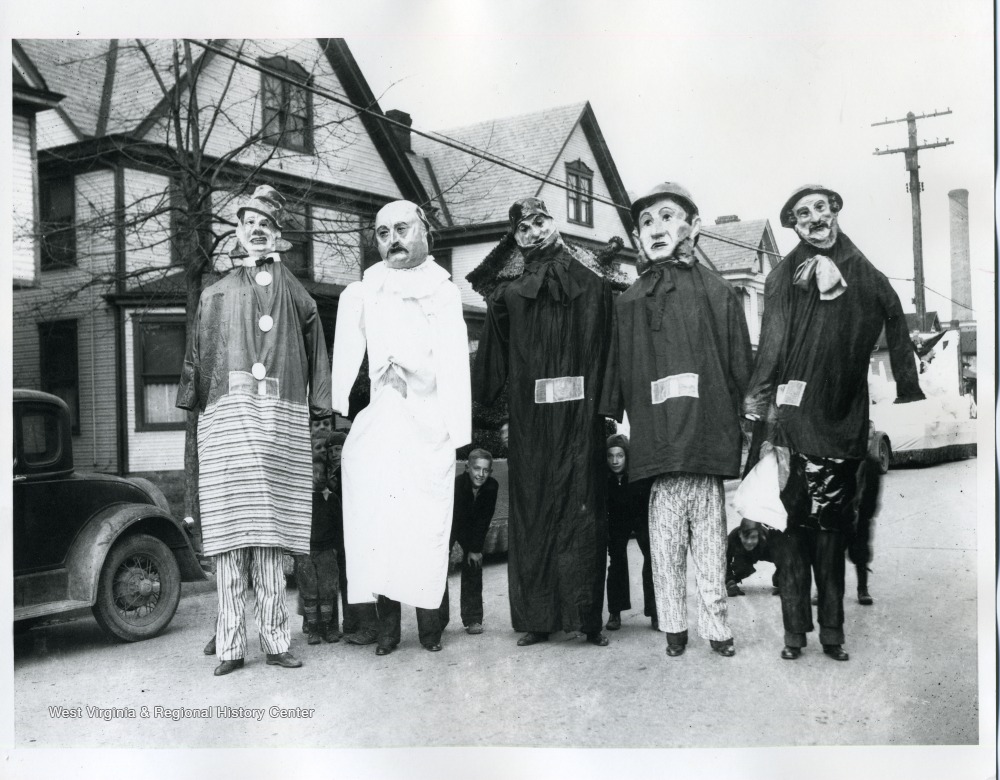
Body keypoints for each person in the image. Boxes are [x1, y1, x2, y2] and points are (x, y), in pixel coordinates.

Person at [744, 184, 923, 661]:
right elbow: (773, 340)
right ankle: (793, 636)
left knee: (830, 541)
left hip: (842, 426)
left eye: (821, 207)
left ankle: (832, 636)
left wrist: (908, 384)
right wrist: (759, 400)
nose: (814, 217)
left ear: (836, 210)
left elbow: (895, 316)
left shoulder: (864, 271)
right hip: (791, 426)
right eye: (803, 213)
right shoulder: (785, 274)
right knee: (790, 543)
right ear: (794, 224)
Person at [177, 184, 332, 676]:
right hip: (226, 424)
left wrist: (320, 403)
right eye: (249, 222)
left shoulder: (296, 295)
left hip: (277, 425)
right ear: (239, 231)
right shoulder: (214, 294)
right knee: (227, 539)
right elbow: (198, 356)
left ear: (278, 235)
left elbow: (316, 347)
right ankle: (229, 646)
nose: (257, 230)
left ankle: (276, 638)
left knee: (268, 538)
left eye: (266, 223)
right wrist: (193, 400)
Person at [600, 182, 753, 658]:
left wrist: (749, 416)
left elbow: (740, 370)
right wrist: (609, 413)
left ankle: (718, 629)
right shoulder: (626, 304)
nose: (657, 229)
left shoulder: (719, 294)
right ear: (636, 236)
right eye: (646, 222)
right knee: (662, 552)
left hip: (704, 448)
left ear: (694, 226)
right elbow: (613, 376)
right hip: (658, 453)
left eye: (667, 217)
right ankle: (673, 628)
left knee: (709, 550)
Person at [331, 199, 471, 655]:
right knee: (383, 524)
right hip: (384, 422)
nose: (393, 239)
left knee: (426, 525)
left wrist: (457, 432)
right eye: (383, 232)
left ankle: (431, 627)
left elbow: (453, 363)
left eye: (402, 229)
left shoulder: (443, 291)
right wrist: (342, 404)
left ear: (424, 232)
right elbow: (350, 354)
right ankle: (388, 628)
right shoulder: (369, 287)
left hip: (428, 423)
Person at [473, 197, 612, 648]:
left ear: (552, 223)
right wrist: (489, 409)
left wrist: (606, 404)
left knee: (580, 509)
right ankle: (537, 617)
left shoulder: (590, 284)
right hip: (531, 421)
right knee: (532, 513)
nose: (532, 231)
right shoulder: (510, 294)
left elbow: (609, 345)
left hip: (579, 419)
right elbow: (492, 356)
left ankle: (586, 618)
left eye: (539, 222)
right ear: (515, 238)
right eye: (523, 229)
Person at [604, 434, 655, 631]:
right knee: (616, 561)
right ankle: (615, 612)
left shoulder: (639, 475)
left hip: (641, 518)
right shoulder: (605, 478)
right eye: (610, 456)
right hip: (618, 521)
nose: (615, 461)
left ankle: (655, 611)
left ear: (627, 456)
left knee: (651, 559)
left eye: (620, 455)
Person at [293, 439, 341, 645]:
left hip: (326, 551)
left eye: (321, 473)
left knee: (328, 589)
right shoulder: (300, 500)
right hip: (305, 551)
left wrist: (337, 549)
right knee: (309, 590)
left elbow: (339, 526)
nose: (317, 478)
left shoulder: (331, 499)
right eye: (313, 474)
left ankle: (329, 628)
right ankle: (313, 628)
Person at [450, 449, 499, 635]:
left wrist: (474, 548)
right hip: (452, 527)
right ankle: (437, 620)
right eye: (477, 469)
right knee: (440, 568)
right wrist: (452, 546)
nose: (481, 474)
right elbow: (453, 518)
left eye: (486, 470)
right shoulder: (456, 484)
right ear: (467, 468)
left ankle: (473, 618)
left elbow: (483, 519)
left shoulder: (492, 486)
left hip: (472, 530)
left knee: (474, 563)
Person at [725, 519, 782, 597]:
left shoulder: (769, 538)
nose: (749, 542)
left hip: (764, 551)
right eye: (746, 536)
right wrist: (729, 581)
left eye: (753, 537)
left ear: (759, 535)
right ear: (740, 534)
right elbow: (724, 560)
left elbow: (786, 559)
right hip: (745, 555)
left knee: (779, 581)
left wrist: (785, 582)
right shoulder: (733, 536)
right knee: (742, 569)